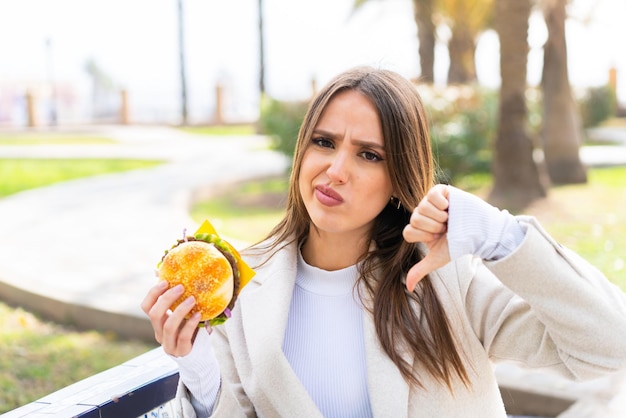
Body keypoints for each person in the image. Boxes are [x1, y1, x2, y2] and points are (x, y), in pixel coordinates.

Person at [141, 66, 626, 417]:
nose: (336, 171)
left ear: (399, 177)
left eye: (369, 155)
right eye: (324, 142)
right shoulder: (239, 286)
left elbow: (610, 345)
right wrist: (200, 376)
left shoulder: (447, 280)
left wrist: (498, 235)